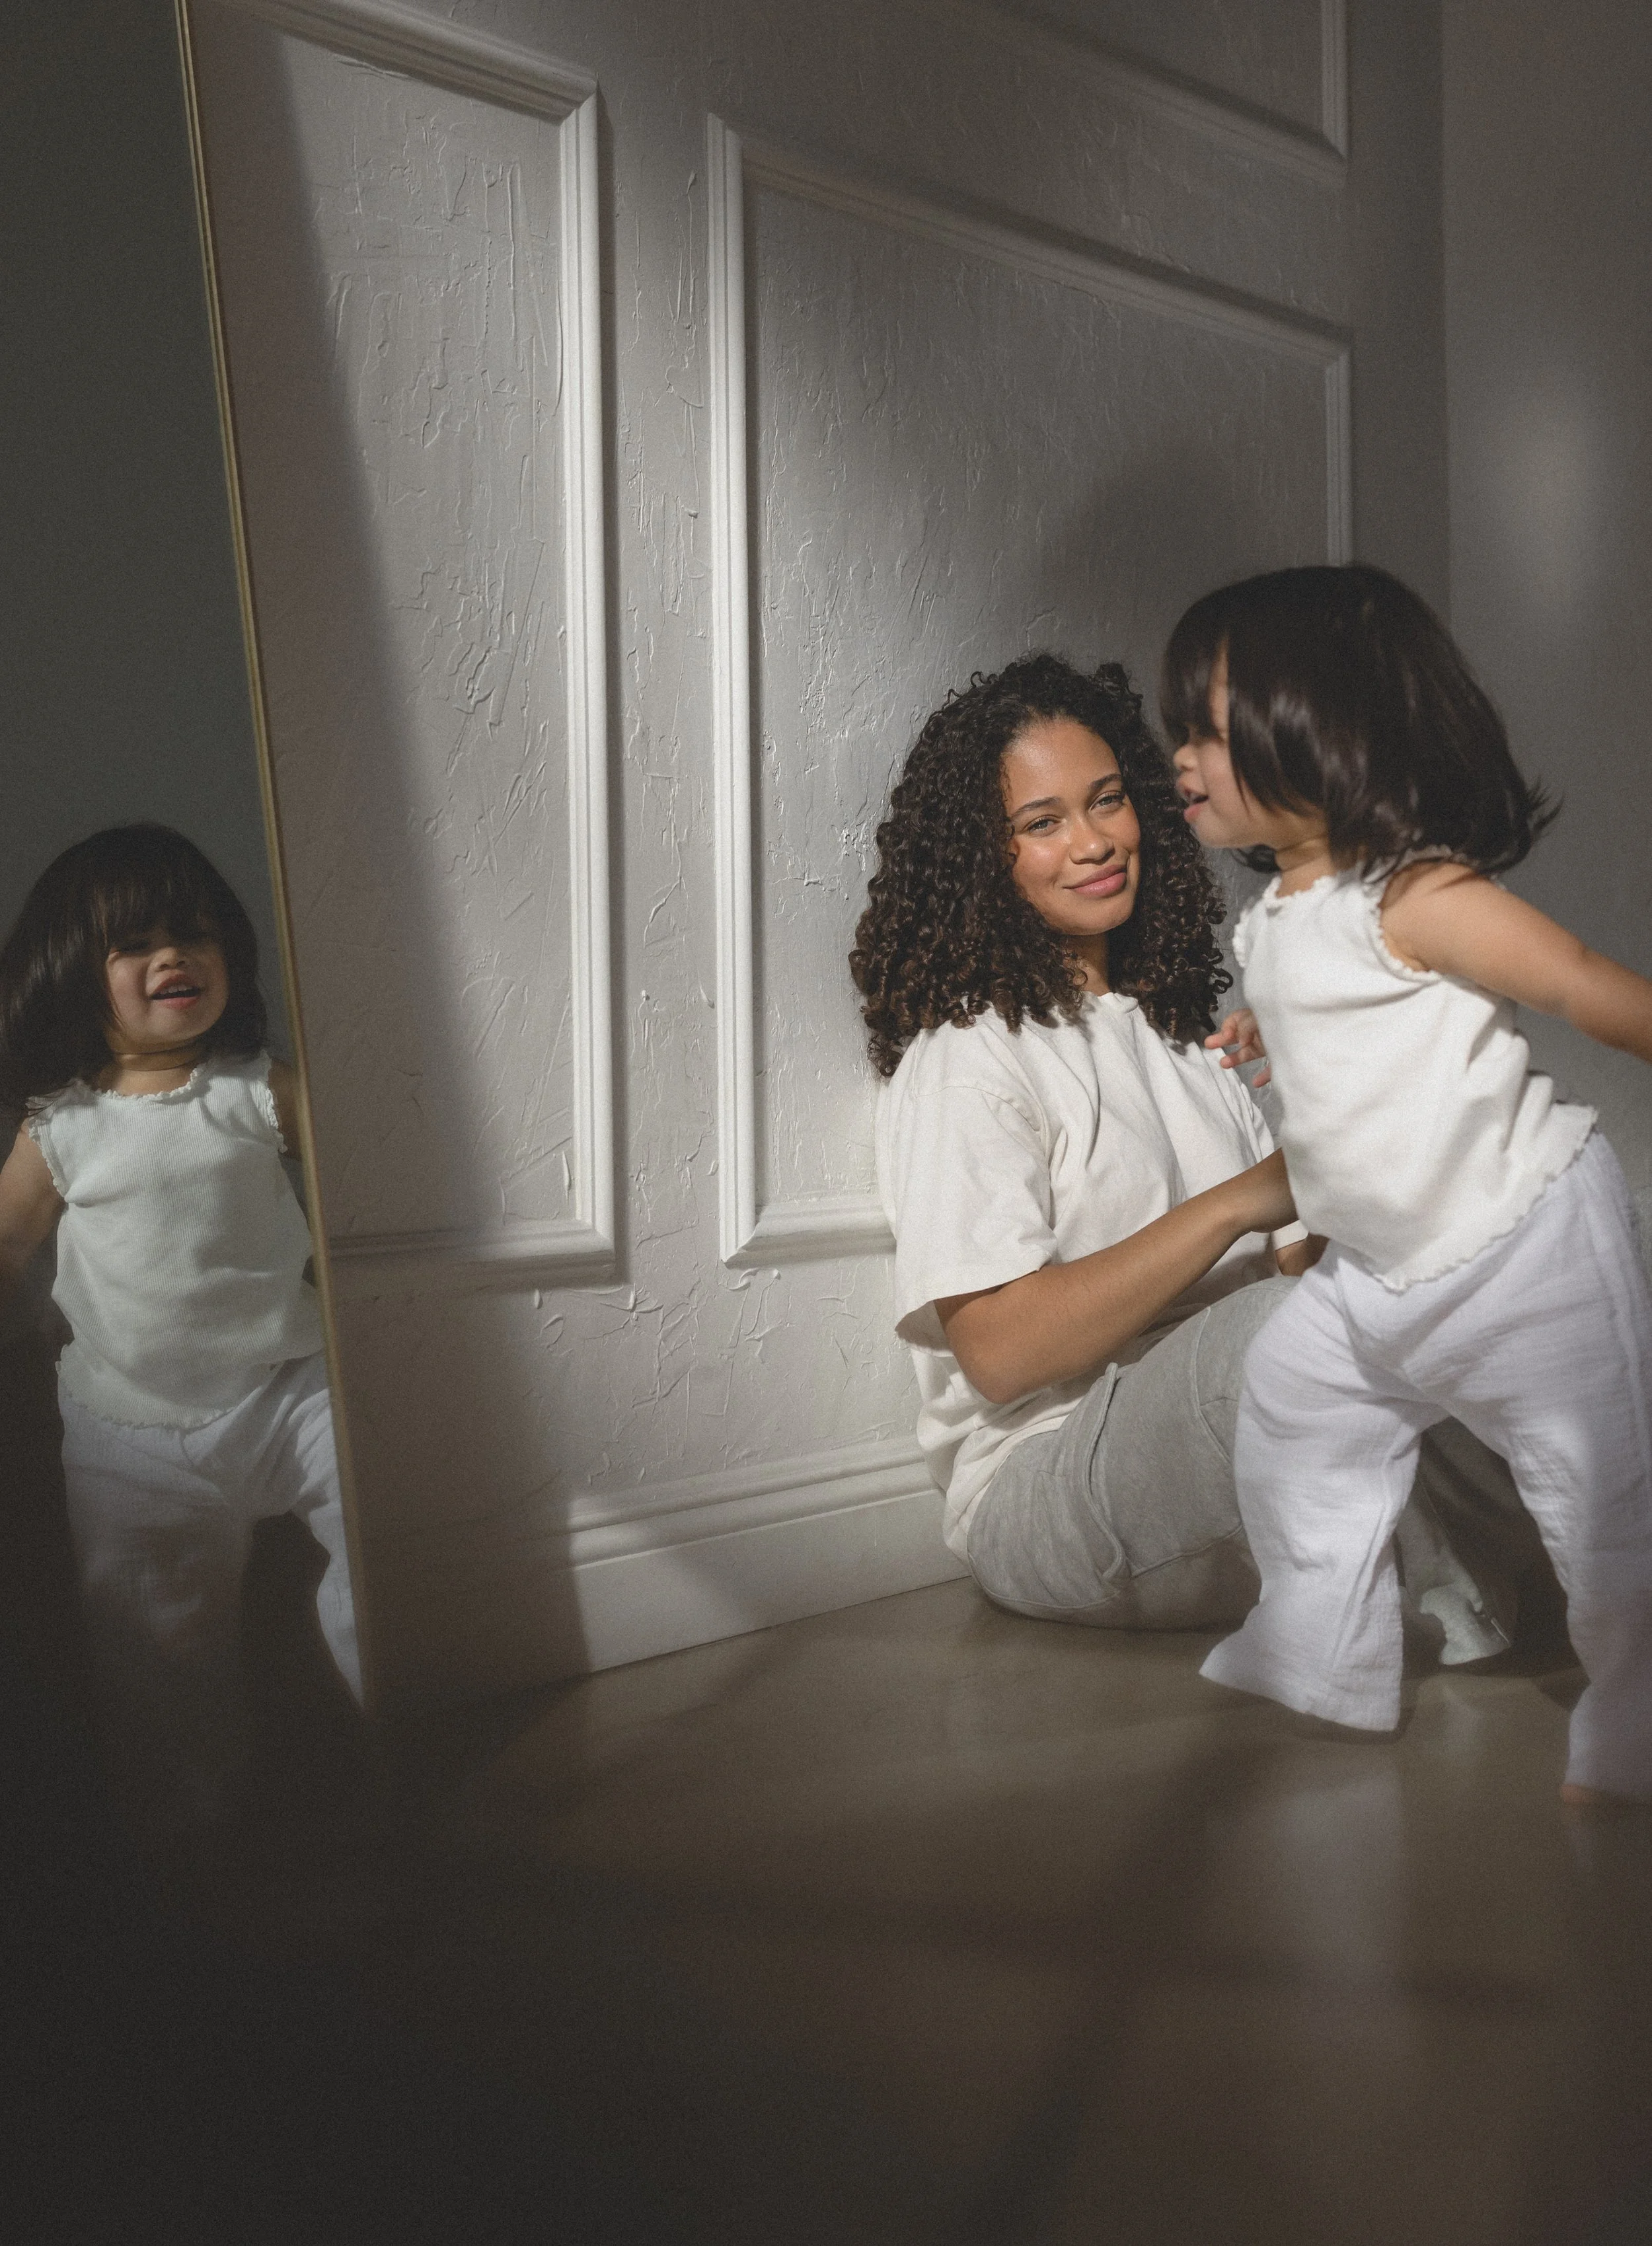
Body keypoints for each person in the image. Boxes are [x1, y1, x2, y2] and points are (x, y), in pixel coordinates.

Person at [851, 652, 1533, 1655]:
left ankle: (1513, 1554)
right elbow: (1000, 1354)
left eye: (1107, 803)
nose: (1092, 842)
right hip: (1048, 1494)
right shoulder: (969, 1052)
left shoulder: (1188, 1042)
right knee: (1273, 1332)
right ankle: (1470, 1583)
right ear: (981, 857)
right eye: (1043, 823)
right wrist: (1236, 1205)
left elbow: (1316, 1273)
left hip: (1250, 1457)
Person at [1164, 563, 1652, 1805]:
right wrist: (1269, 1039)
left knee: (1601, 1494)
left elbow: (1582, 982)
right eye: (1184, 729)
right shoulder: (1274, 916)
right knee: (1292, 1412)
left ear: (1326, 728)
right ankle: (1318, 1639)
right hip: (1381, 1278)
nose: (1182, 755)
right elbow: (1346, 1043)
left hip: (1524, 1250)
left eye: (1210, 729)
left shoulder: (1419, 893)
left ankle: (1642, 1701)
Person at [0, 823, 360, 1836]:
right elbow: (8, 1238)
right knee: (154, 1655)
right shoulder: (61, 1125)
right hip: (131, 1433)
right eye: (137, 941)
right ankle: (192, 1835)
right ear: (75, 974)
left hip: (293, 1385)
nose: (176, 953)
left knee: (384, 1542)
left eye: (197, 931)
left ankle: (394, 1713)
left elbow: (358, 1176)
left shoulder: (254, 1087)